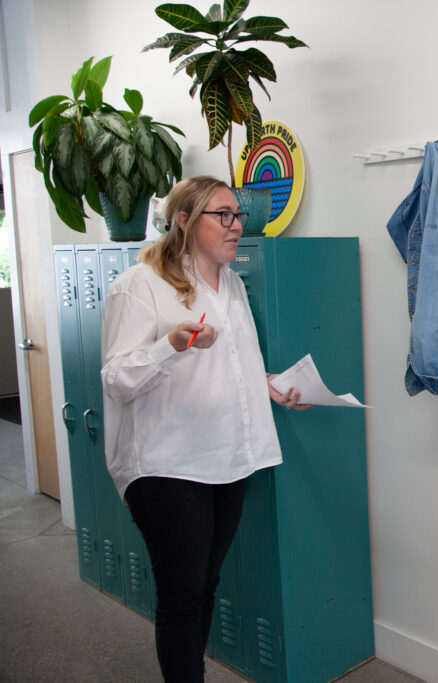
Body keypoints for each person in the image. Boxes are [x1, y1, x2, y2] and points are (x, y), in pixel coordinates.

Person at [100, 175, 310, 682]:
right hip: (167, 464)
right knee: (182, 593)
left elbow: (232, 366)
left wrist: (269, 385)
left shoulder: (232, 282)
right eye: (225, 215)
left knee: (206, 583)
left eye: (238, 215)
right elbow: (116, 378)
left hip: (226, 458)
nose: (237, 225)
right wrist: (171, 344)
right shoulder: (140, 285)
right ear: (184, 221)